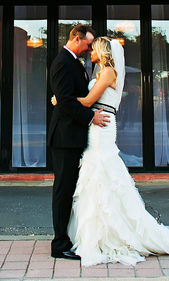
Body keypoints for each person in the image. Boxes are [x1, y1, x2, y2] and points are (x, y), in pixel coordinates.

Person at [59, 36, 169, 266]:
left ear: (102, 51)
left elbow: (88, 101)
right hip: (97, 126)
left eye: (93, 48)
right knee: (96, 177)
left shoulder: (108, 72)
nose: (90, 51)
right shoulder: (101, 71)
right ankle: (97, 234)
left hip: (102, 129)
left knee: (102, 174)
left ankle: (112, 233)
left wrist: (60, 100)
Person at [48, 24, 111, 260]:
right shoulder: (63, 62)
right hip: (64, 137)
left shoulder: (75, 62)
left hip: (73, 136)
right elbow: (65, 99)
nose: (89, 48)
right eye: (87, 44)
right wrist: (90, 117)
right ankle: (59, 244)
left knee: (70, 189)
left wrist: (65, 101)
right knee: (63, 191)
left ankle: (68, 237)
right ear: (76, 39)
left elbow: (68, 97)